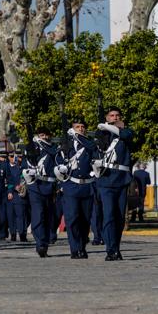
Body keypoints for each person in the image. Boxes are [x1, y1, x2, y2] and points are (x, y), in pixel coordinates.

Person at [94, 107, 133, 261]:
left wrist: (110, 127)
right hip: (106, 179)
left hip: (122, 179)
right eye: (111, 116)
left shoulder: (127, 132)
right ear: (107, 117)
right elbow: (94, 150)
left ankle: (116, 247)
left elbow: (124, 134)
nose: (115, 118)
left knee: (119, 218)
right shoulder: (101, 133)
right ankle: (111, 250)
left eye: (117, 115)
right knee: (109, 215)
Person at [56, 118, 98, 259]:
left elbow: (96, 156)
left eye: (82, 126)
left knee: (85, 219)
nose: (80, 128)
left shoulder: (90, 144)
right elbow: (58, 160)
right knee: (72, 218)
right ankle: (75, 248)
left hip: (87, 185)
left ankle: (82, 246)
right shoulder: (66, 143)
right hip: (71, 185)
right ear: (72, 129)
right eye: (77, 126)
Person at [24, 127, 58, 257]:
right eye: (41, 135)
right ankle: (40, 244)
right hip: (35, 185)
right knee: (38, 214)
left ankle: (46, 241)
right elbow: (24, 165)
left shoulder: (53, 148)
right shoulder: (32, 147)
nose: (44, 137)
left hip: (49, 186)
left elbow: (56, 158)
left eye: (46, 135)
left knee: (48, 216)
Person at [7, 149, 28, 242]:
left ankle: (22, 233)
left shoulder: (24, 167)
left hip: (21, 195)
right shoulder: (8, 168)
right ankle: (13, 234)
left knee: (22, 216)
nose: (17, 159)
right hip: (12, 194)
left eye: (20, 157)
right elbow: (8, 181)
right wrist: (12, 189)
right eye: (13, 157)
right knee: (11, 216)